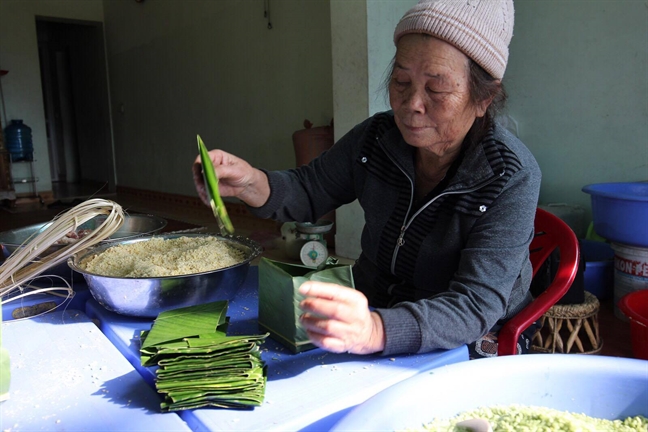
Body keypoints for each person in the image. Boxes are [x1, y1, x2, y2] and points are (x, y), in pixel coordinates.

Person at [193, 0, 541, 359]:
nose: (411, 104)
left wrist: (375, 330)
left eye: (436, 90)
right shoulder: (377, 138)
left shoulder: (509, 175)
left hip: (469, 335)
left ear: (484, 98)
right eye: (401, 81)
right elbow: (310, 188)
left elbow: (473, 305)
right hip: (376, 307)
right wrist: (250, 182)